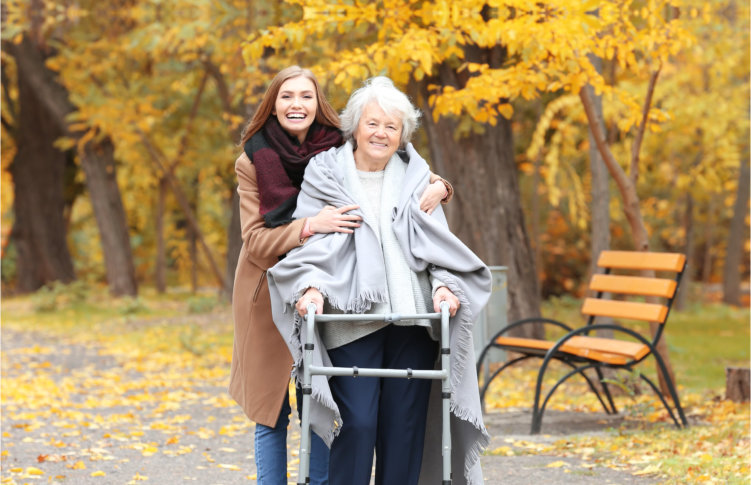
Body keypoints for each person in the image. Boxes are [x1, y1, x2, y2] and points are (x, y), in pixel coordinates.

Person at [227, 66, 454, 485]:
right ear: (272, 105)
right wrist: (311, 227)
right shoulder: (262, 159)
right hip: (274, 286)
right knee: (275, 409)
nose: (297, 104)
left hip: (346, 295)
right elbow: (257, 241)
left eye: (306, 97)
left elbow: (402, 161)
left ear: (320, 106)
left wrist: (441, 185)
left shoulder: (334, 144)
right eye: (287, 97)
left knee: (332, 410)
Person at [267, 76, 492, 485]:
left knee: (403, 430)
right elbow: (312, 246)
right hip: (351, 320)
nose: (381, 133)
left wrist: (443, 285)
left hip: (413, 320)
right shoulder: (325, 172)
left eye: (392, 126)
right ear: (355, 126)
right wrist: (311, 287)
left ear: (402, 135)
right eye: (373, 123)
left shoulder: (418, 179)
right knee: (356, 425)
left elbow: (437, 244)